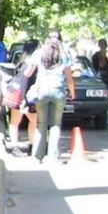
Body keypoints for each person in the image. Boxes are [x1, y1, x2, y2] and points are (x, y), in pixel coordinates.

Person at [29, 34, 75, 162]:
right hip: (58, 92)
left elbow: (28, 72)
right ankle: (52, 156)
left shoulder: (38, 53)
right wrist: (72, 92)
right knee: (55, 124)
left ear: (46, 40)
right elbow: (69, 76)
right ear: (60, 41)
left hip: (41, 91)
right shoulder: (64, 55)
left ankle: (37, 156)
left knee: (41, 124)